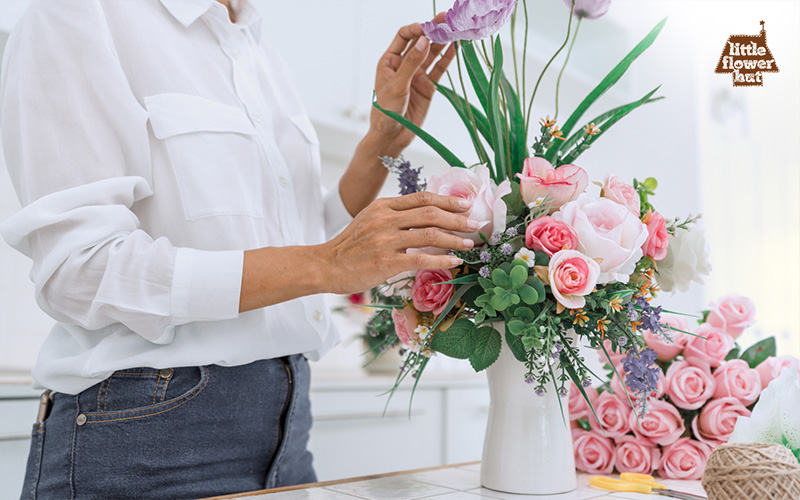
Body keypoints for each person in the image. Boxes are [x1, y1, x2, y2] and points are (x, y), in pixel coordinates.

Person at [0, 0, 470, 498]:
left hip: (288, 427)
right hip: (149, 434)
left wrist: (383, 139)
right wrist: (325, 264)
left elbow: (305, 240)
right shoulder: (81, 15)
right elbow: (80, 270)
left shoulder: (260, 51)